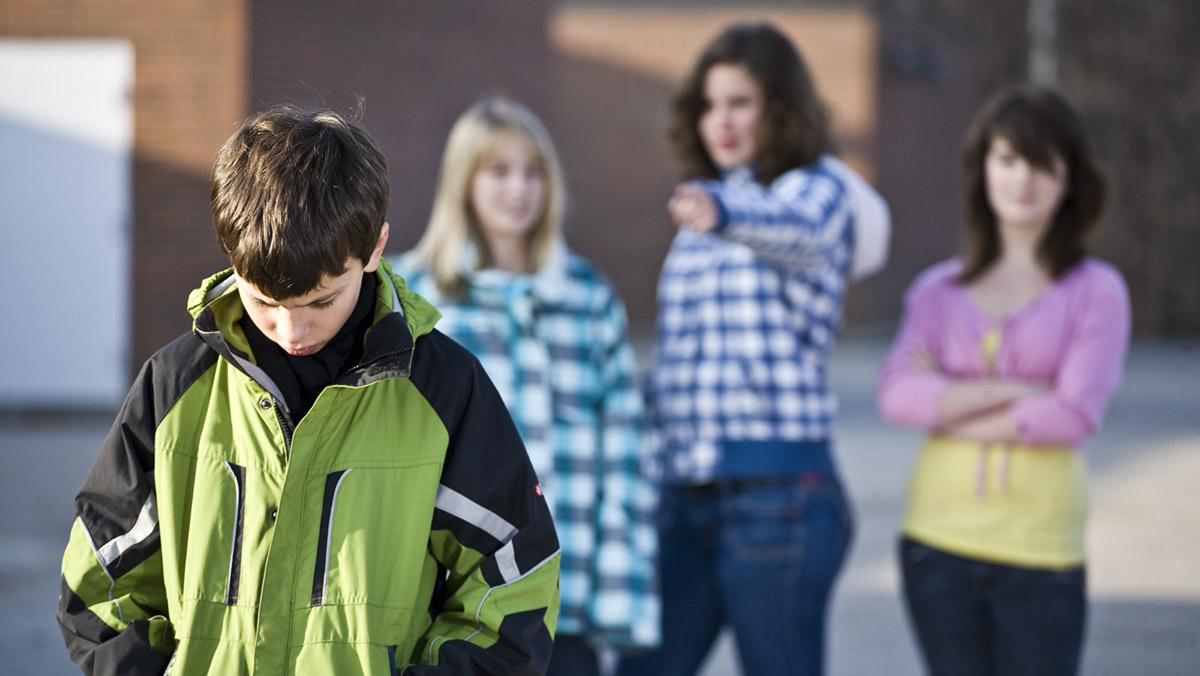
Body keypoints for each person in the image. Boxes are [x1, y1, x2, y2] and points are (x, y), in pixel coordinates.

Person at [56, 105, 561, 675]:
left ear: (375, 249)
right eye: (264, 302)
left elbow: (515, 578)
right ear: (231, 259)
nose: (292, 331)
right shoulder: (175, 385)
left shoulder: (444, 388)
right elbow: (100, 579)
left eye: (322, 301)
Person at [617, 22, 891, 676]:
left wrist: (726, 211)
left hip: (777, 495)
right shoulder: (705, 214)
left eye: (741, 102)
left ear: (780, 104)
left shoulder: (818, 188)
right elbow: (685, 358)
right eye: (711, 105)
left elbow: (796, 232)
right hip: (685, 490)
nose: (722, 121)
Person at [391, 97, 659, 676]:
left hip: (568, 598)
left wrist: (618, 596)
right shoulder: (412, 297)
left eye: (533, 171)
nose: (520, 189)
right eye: (499, 170)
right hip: (455, 600)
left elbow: (624, 454)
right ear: (463, 181)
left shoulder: (588, 297)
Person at [876, 85, 1131, 675]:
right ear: (982, 170)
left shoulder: (1097, 291)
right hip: (935, 544)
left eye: (1043, 164)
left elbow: (1074, 415)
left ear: (1070, 178)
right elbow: (895, 395)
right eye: (1008, 160)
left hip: (1039, 549)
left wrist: (947, 401)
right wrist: (1016, 393)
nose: (1023, 180)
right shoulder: (938, 291)